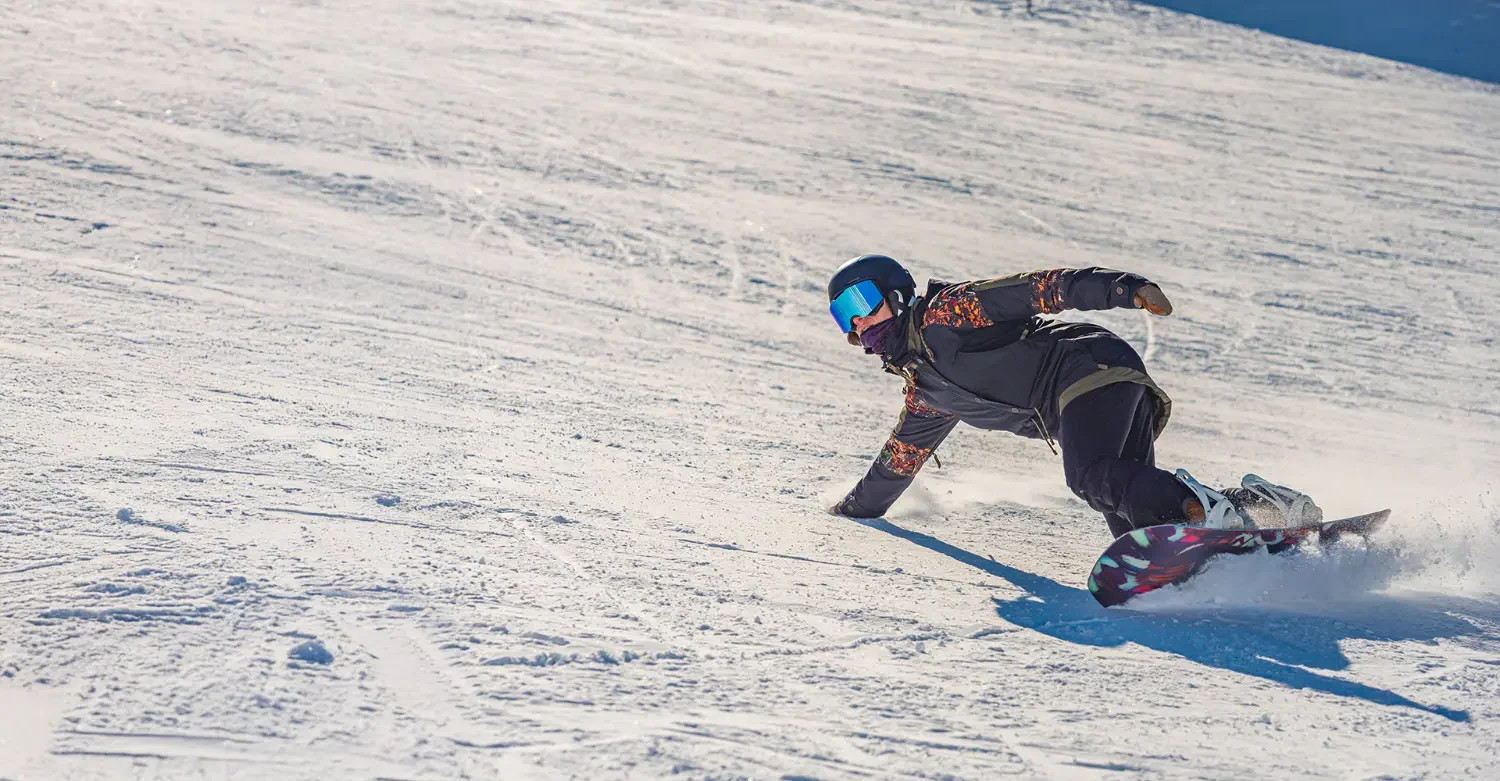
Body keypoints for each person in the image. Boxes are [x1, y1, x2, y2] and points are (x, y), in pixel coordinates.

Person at [824, 254, 1321, 536]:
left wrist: (1126, 289)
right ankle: (1262, 508)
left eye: (860, 300)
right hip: (1089, 397)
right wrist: (851, 513)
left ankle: (1213, 515)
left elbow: (1039, 289)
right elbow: (897, 462)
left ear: (895, 294)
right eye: (843, 315)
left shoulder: (946, 313)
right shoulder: (926, 393)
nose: (858, 320)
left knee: (1090, 476)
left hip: (1087, 368)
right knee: (1135, 527)